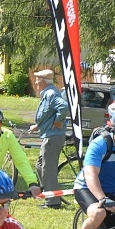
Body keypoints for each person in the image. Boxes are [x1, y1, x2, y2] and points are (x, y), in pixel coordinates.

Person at [29, 69, 70, 207]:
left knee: (48, 169)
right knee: (40, 165)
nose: (35, 83)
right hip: (49, 135)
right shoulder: (47, 93)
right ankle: (47, 194)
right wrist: (38, 126)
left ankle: (53, 201)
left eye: (37, 80)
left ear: (43, 82)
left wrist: (58, 121)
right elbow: (48, 114)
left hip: (53, 137)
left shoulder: (51, 93)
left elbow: (63, 106)